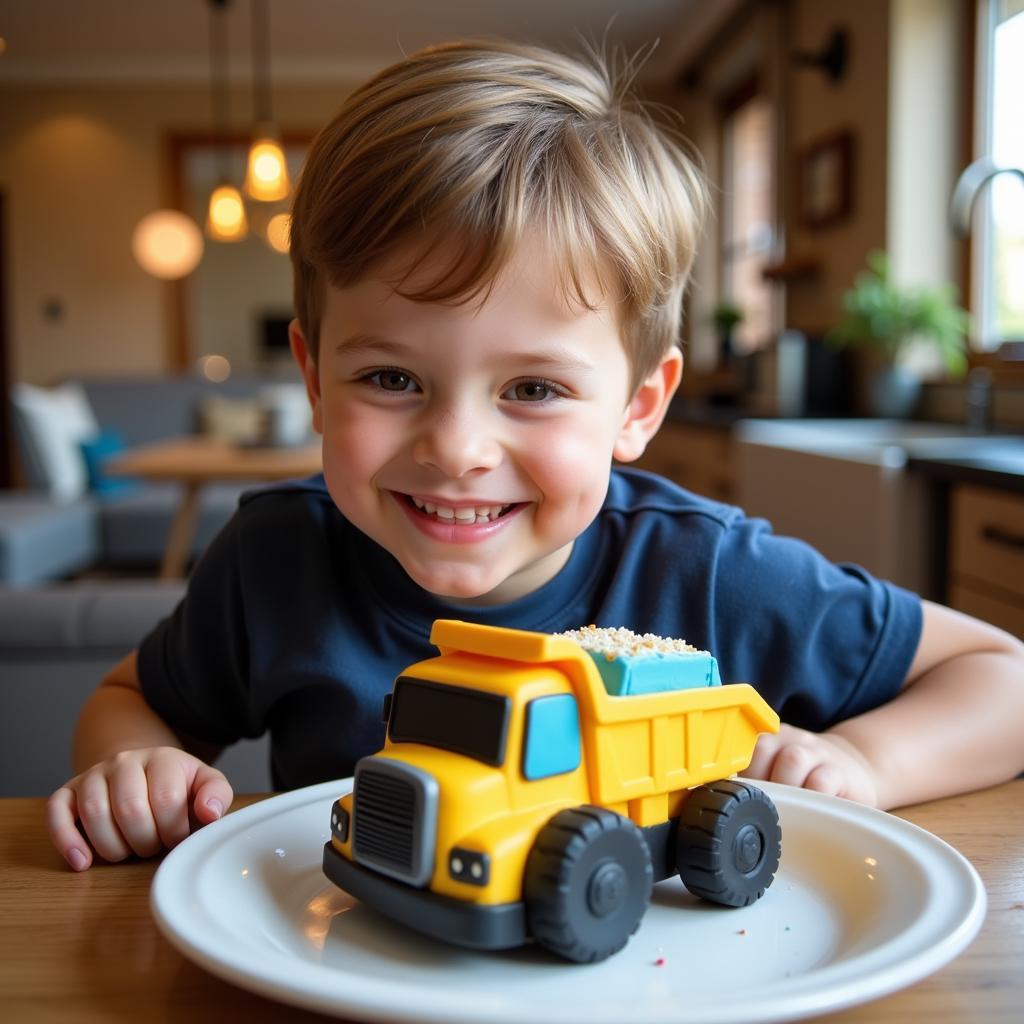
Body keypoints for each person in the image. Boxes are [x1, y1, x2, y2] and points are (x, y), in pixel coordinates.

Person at [48, 40, 1024, 872]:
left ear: (637, 406)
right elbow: (133, 697)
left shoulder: (706, 569)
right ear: (312, 373)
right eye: (391, 378)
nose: (458, 449)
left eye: (533, 389)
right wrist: (137, 766)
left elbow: (1000, 676)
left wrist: (864, 761)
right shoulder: (272, 561)